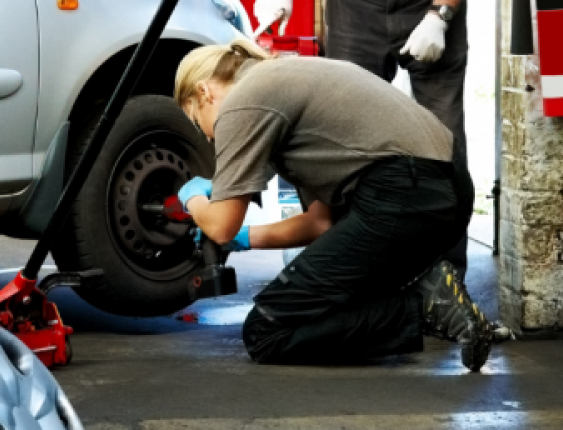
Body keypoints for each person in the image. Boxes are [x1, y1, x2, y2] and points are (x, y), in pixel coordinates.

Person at [173, 39, 492, 370]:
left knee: (265, 330)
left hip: (403, 196)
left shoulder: (243, 101)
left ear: (205, 92)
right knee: (324, 302)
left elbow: (221, 226)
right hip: (445, 193)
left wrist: (192, 198)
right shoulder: (285, 79)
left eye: (198, 122)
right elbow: (319, 223)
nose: (209, 138)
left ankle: (425, 305)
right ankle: (426, 297)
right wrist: (246, 236)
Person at [253, 0, 480, 280]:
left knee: (444, 140)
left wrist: (440, 14)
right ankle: (345, 270)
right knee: (334, 136)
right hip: (355, 2)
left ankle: (446, 280)